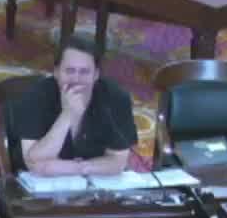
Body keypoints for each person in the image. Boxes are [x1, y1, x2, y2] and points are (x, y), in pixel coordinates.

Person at [12, 34, 138, 177]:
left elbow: (118, 161)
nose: (76, 79)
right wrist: (67, 115)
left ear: (96, 74)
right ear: (56, 72)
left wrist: (79, 168)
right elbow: (33, 162)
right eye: (69, 71)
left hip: (95, 181)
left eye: (84, 72)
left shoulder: (116, 98)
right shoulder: (35, 96)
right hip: (38, 183)